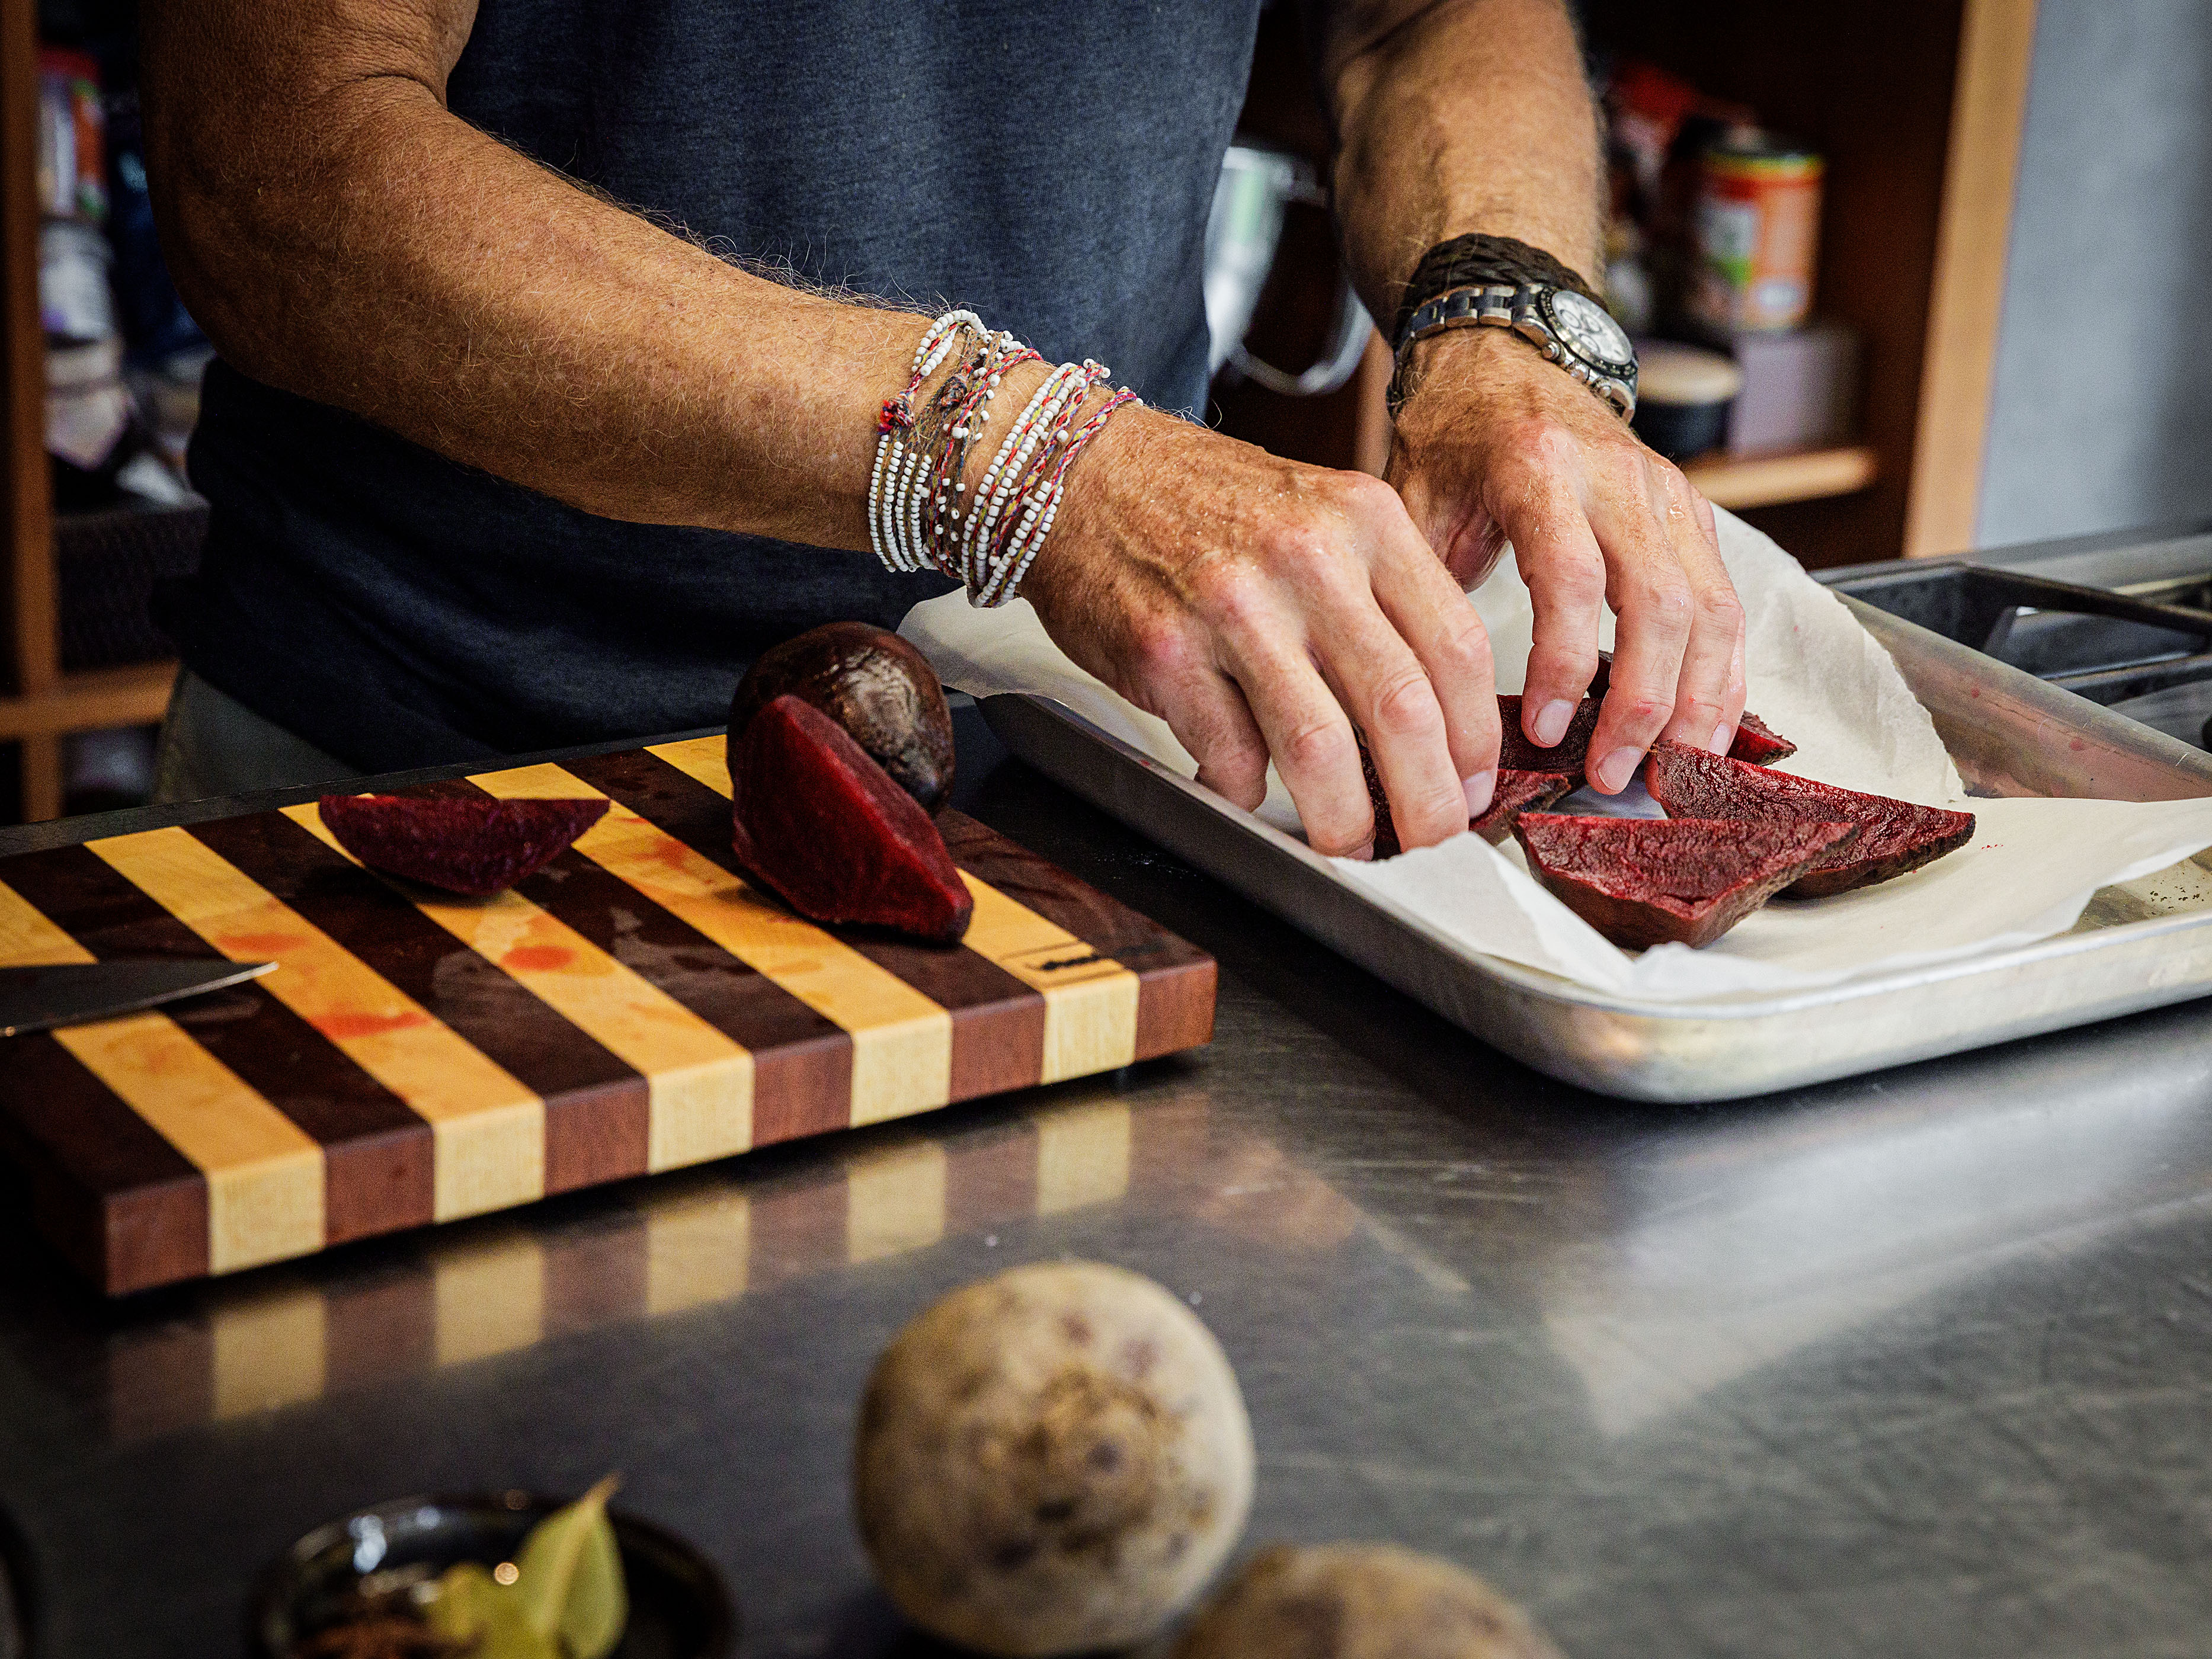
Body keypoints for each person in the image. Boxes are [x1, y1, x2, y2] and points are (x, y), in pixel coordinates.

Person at [142, 0, 1744, 858]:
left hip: (1103, 763)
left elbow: (1425, 15)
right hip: (444, 776)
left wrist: (1506, 326)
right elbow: (280, 167)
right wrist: (1013, 456)